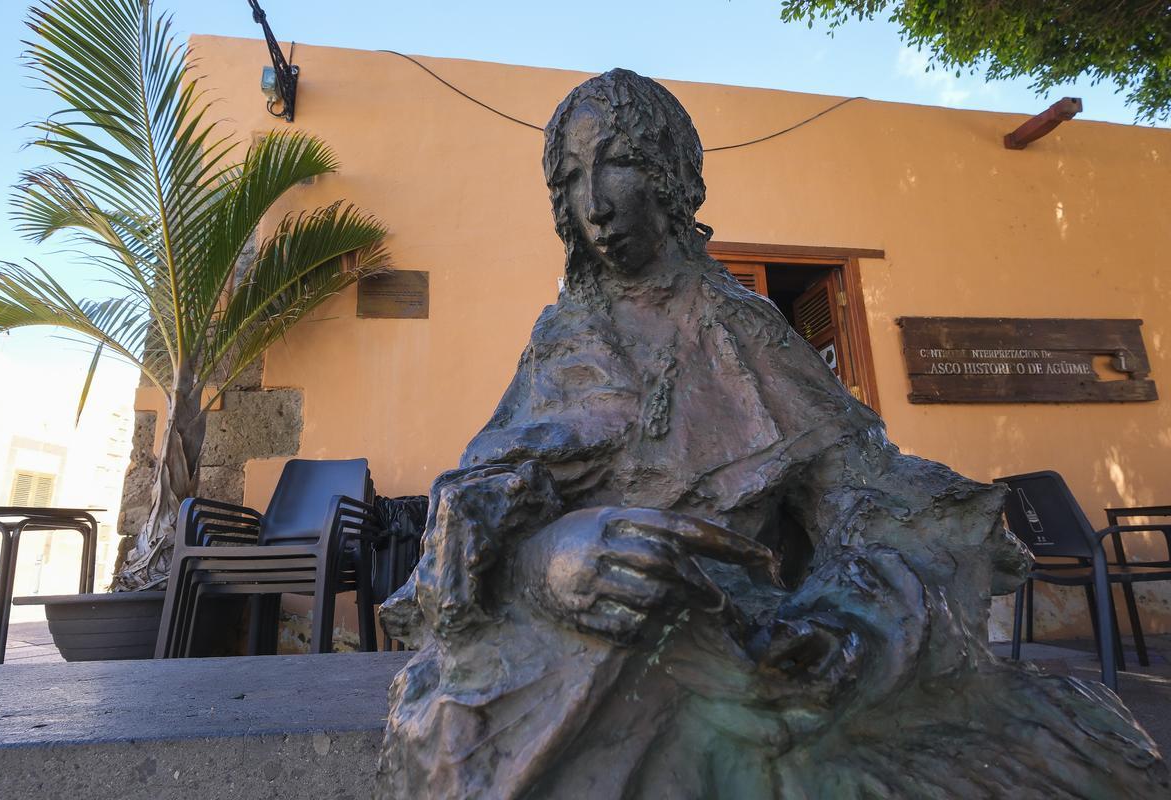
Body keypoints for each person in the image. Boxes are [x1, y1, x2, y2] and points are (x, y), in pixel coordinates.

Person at [377, 69, 1167, 799]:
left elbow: (871, 498)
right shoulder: (561, 342)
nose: (596, 203)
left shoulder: (744, 331)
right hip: (557, 637)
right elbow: (472, 508)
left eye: (615, 164)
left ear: (671, 175)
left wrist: (832, 626)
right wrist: (551, 559)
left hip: (734, 640)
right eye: (570, 177)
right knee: (458, 727)